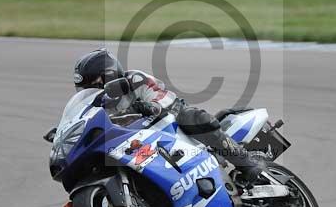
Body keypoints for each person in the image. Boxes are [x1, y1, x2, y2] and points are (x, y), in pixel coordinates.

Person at [73, 48, 263, 186]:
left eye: (95, 84)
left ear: (110, 75)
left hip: (169, 119)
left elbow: (161, 98)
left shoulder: (135, 80)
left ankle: (247, 164)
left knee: (192, 117)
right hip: (139, 142)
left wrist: (150, 106)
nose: (92, 91)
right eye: (86, 88)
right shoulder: (97, 105)